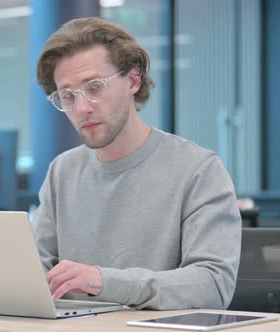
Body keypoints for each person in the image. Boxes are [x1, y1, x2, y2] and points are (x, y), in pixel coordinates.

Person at [31, 17, 241, 310]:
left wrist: (104, 281)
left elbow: (213, 285)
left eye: (94, 87)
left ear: (132, 80)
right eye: (67, 95)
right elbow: (34, 273)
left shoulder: (198, 169)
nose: (82, 108)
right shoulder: (62, 171)